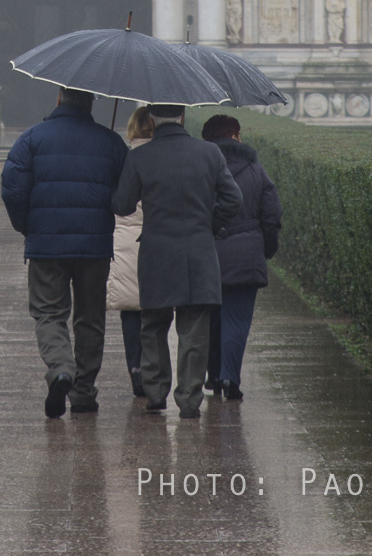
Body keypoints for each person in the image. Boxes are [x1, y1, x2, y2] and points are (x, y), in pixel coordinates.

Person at [2, 87, 129, 419]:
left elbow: (13, 188)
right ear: (90, 104)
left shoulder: (31, 139)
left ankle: (61, 369)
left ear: (59, 100)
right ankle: (84, 392)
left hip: (46, 245)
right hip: (95, 246)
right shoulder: (111, 142)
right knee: (91, 318)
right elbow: (125, 197)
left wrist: (25, 226)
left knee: (48, 313)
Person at [111, 103, 242, 418]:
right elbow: (233, 199)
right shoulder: (209, 154)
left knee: (153, 324)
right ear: (183, 117)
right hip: (198, 250)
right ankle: (189, 398)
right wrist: (210, 223)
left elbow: (123, 204)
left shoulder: (140, 156)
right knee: (194, 328)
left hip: (157, 252)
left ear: (152, 122)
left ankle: (156, 392)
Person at [201, 115, 282, 401]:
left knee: (209, 320)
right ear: (235, 136)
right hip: (245, 255)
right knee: (236, 320)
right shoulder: (256, 169)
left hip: (206, 254)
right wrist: (266, 248)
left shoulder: (200, 166)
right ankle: (229, 378)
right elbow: (271, 214)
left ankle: (212, 376)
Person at [105, 106, 155, 397]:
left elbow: (118, 201)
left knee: (130, 309)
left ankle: (135, 368)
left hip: (125, 239)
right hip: (157, 238)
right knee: (155, 308)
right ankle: (153, 366)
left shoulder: (123, 157)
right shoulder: (164, 157)